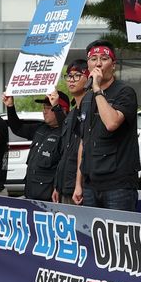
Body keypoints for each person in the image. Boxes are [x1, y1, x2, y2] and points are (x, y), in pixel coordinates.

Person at [73, 40, 140, 211]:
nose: (98, 64)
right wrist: (78, 183)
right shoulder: (87, 98)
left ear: (114, 65)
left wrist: (97, 89)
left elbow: (111, 123)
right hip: (90, 184)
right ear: (88, 64)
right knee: (90, 229)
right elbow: (83, 142)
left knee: (119, 228)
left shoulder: (125, 92)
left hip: (118, 185)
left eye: (104, 58)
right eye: (93, 59)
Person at [3, 90, 70, 201]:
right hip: (31, 193)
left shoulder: (67, 134)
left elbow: (66, 129)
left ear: (62, 109)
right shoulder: (40, 128)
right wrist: (10, 106)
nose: (44, 111)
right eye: (43, 107)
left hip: (51, 198)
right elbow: (17, 128)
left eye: (48, 108)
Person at [52, 59, 89, 204]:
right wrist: (57, 185)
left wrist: (79, 185)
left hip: (81, 188)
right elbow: (65, 152)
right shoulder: (72, 114)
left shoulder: (92, 109)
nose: (71, 80)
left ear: (89, 78)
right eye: (69, 76)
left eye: (77, 75)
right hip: (65, 186)